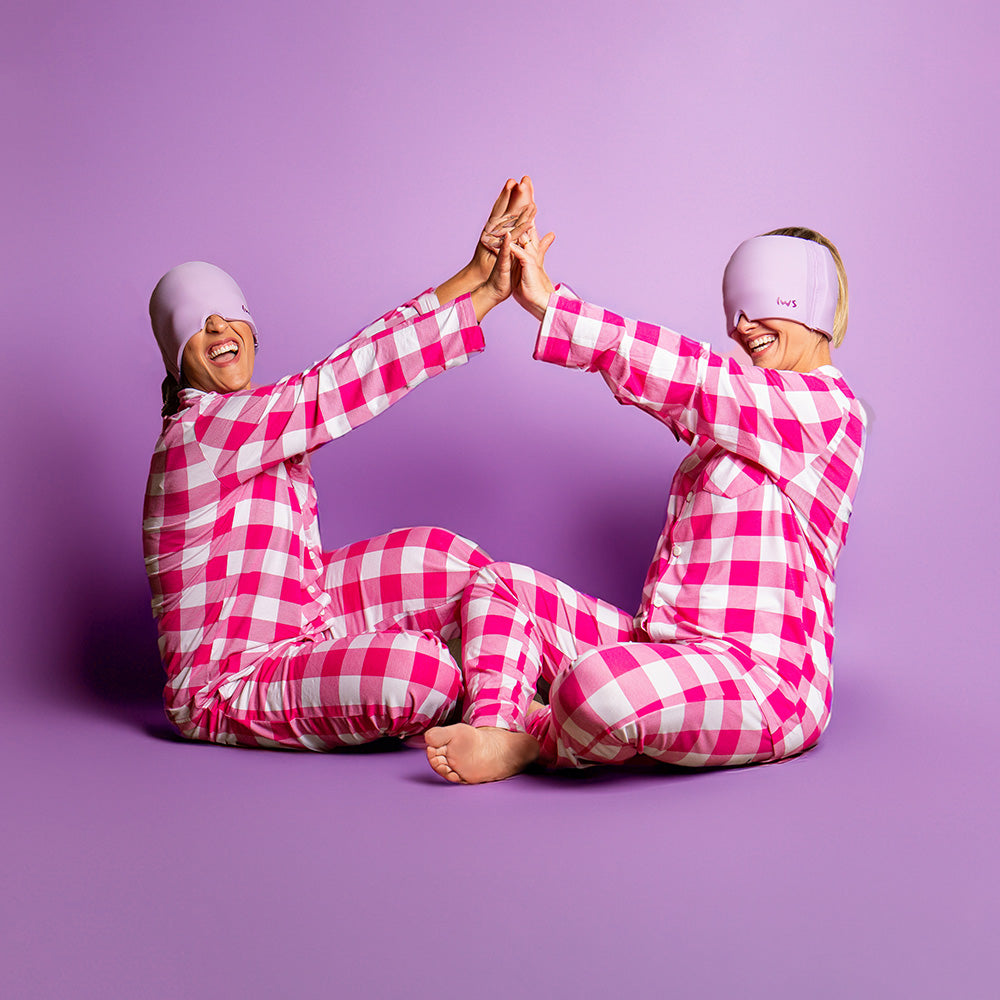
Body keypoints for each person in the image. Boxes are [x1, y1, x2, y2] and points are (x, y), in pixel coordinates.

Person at [425, 211, 867, 783]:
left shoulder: (828, 411)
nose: (740, 326)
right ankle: (495, 728)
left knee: (595, 686)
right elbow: (680, 394)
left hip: (762, 682)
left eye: (759, 300)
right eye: (734, 308)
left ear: (811, 303)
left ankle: (536, 739)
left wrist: (555, 307)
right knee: (500, 583)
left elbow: (697, 382)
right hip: (664, 648)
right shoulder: (741, 422)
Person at [143, 179, 530, 750]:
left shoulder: (253, 420)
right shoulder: (201, 431)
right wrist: (484, 300)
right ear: (176, 360)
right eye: (195, 322)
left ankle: (508, 712)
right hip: (230, 683)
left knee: (449, 560)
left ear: (251, 327)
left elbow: (354, 357)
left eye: (226, 313)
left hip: (306, 617)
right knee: (421, 675)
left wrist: (474, 274)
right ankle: (507, 711)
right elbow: (337, 385)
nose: (218, 327)